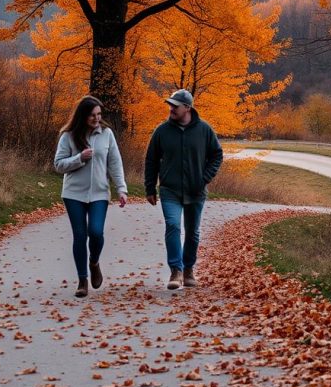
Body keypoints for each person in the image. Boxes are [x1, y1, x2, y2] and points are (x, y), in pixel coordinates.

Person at [144, 89, 223, 290]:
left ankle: (188, 269)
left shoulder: (204, 130)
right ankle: (175, 271)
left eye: (175, 105)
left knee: (192, 232)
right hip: (169, 189)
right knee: (173, 225)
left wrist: (204, 178)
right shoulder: (162, 131)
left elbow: (217, 155)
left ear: (187, 107)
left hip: (196, 191)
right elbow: (151, 159)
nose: (171, 108)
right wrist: (149, 187)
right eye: (170, 104)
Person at [54, 95, 128, 298]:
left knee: (95, 232)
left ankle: (94, 262)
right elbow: (58, 164)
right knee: (80, 235)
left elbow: (115, 163)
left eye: (99, 114)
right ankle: (82, 280)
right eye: (92, 115)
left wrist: (121, 189)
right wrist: (79, 158)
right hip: (73, 193)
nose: (96, 119)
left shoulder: (106, 134)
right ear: (82, 116)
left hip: (99, 193)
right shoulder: (68, 136)